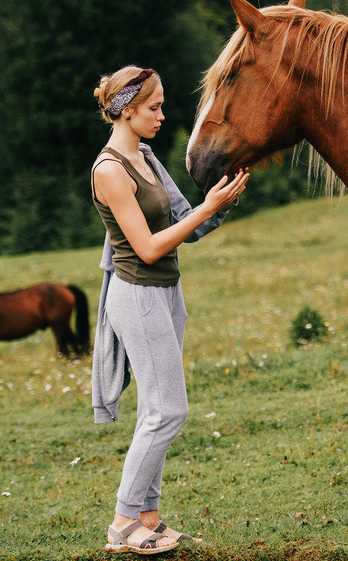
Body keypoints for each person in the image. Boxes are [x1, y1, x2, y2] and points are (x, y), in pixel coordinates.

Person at [90, 65, 248, 554]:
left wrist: (220, 199)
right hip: (136, 296)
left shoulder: (147, 156)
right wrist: (204, 209)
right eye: (154, 107)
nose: (163, 115)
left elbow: (185, 221)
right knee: (169, 410)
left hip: (166, 294)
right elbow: (149, 247)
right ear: (127, 109)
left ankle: (150, 520)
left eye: (161, 106)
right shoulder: (110, 170)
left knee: (155, 410)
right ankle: (122, 524)